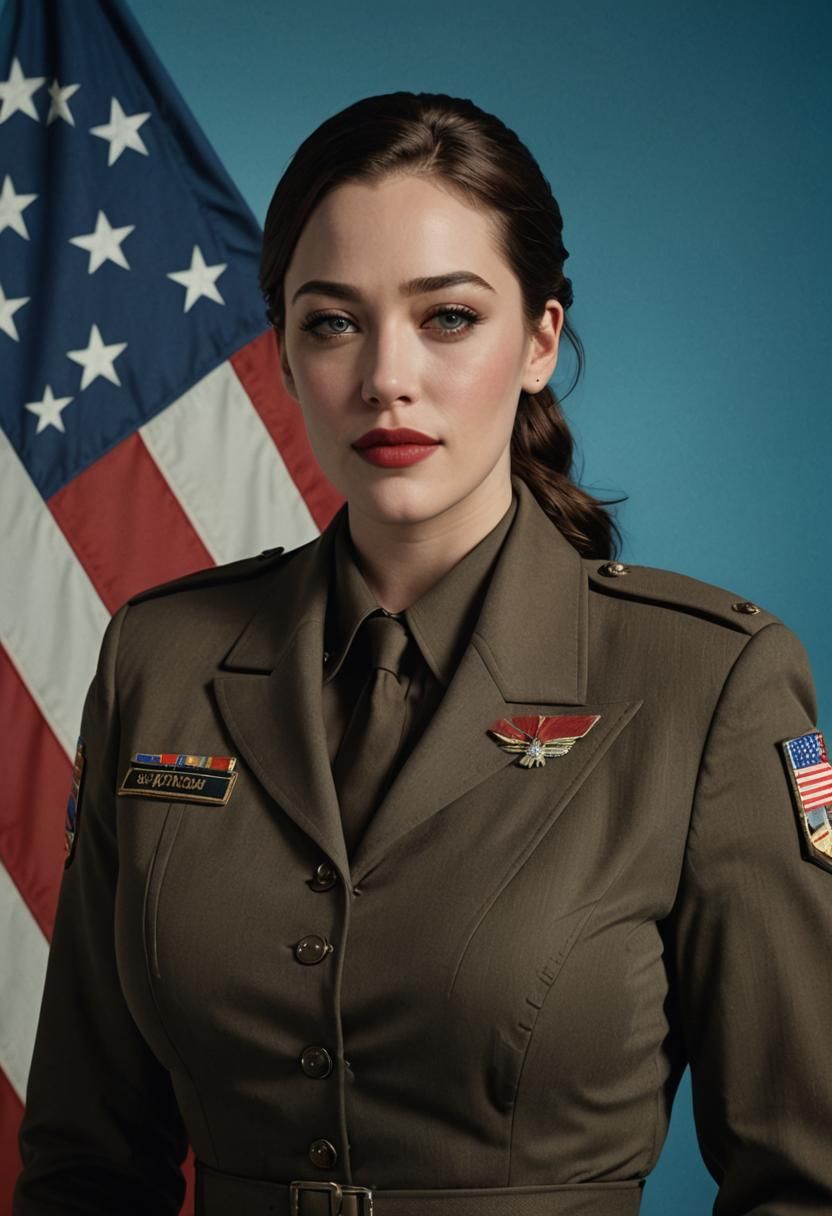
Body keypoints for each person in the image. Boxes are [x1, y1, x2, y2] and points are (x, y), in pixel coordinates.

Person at [14, 91, 832, 1216]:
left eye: (447, 317)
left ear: (540, 339)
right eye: (332, 320)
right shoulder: (161, 658)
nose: (385, 376)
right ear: (287, 352)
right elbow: (84, 1165)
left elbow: (804, 1182)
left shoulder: (708, 684)